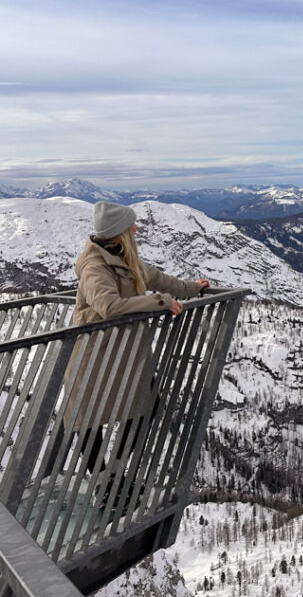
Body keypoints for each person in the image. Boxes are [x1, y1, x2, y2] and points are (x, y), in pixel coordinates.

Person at [53, 202, 211, 507]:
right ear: (118, 233)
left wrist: (192, 288)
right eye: (131, 226)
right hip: (94, 354)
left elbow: (158, 278)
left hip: (120, 354)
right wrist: (160, 303)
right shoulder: (93, 266)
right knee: (88, 419)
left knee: (145, 402)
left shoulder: (124, 258)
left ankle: (115, 474)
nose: (136, 229)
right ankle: (104, 482)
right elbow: (108, 306)